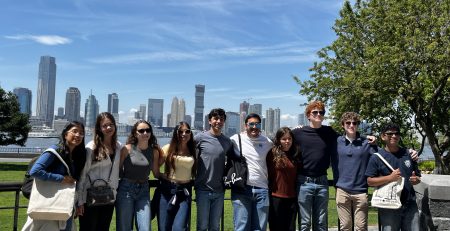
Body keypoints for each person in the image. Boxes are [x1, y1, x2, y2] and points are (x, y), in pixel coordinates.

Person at [22, 121, 87, 231]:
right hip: (50, 204)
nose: (78, 135)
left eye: (81, 133)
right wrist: (61, 178)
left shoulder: (77, 156)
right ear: (65, 134)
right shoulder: (55, 151)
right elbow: (35, 171)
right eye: (74, 131)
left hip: (66, 205)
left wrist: (78, 203)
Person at [292, 101, 339, 231]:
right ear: (308, 115)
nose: (319, 114)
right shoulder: (298, 133)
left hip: (322, 181)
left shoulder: (329, 132)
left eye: (321, 112)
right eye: (315, 112)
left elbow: (347, 140)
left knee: (321, 223)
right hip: (303, 182)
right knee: (305, 223)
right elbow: (282, 140)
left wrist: (365, 138)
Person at [365, 123, 421, 231]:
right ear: (383, 136)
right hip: (388, 206)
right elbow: (369, 181)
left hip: (410, 204)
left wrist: (416, 180)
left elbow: (417, 177)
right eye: (390, 133)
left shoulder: (408, 154)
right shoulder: (376, 157)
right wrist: (390, 178)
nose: (394, 136)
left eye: (397, 133)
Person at [77, 112, 122, 231]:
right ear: (99, 128)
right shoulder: (92, 147)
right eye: (105, 125)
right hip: (90, 197)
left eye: (111, 124)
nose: (109, 128)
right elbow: (82, 175)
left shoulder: (118, 147)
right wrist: (80, 201)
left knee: (103, 228)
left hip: (108, 197)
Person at [230, 113, 273, 231]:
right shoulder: (235, 139)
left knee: (260, 228)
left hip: (262, 190)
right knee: (241, 227)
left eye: (257, 124)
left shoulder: (267, 142)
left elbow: (283, 145)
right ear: (245, 126)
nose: (254, 127)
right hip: (242, 189)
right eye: (251, 124)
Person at [335, 112, 378, 231]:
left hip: (360, 191)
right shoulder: (337, 141)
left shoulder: (366, 142)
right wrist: (300, 129)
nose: (351, 125)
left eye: (354, 123)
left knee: (361, 227)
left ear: (358, 125)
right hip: (342, 190)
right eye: (348, 123)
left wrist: (409, 153)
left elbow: (380, 158)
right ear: (343, 125)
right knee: (345, 227)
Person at [195, 108, 236, 231]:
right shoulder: (199, 138)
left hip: (219, 190)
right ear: (209, 120)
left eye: (221, 119)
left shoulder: (227, 142)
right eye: (216, 119)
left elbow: (232, 162)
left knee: (215, 226)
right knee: (202, 226)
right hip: (202, 189)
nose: (219, 121)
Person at [115, 120, 160, 231]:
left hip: (144, 191)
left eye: (148, 130)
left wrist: (171, 177)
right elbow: (118, 170)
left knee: (145, 227)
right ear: (135, 133)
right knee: (124, 228)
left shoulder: (154, 151)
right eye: (141, 130)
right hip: (126, 190)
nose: (145, 133)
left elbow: (156, 173)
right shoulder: (127, 149)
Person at [158, 121, 196, 231]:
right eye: (180, 131)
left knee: (179, 227)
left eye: (187, 131)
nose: (184, 134)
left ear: (190, 133)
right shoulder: (167, 148)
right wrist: (160, 175)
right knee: (164, 227)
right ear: (176, 133)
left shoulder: (193, 149)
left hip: (184, 191)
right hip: (167, 190)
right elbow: (154, 166)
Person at [266, 127, 299, 231]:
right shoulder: (271, 154)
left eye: (289, 138)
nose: (287, 141)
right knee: (276, 227)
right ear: (278, 140)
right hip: (275, 197)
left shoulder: (296, 154)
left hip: (292, 198)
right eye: (284, 139)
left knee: (290, 227)